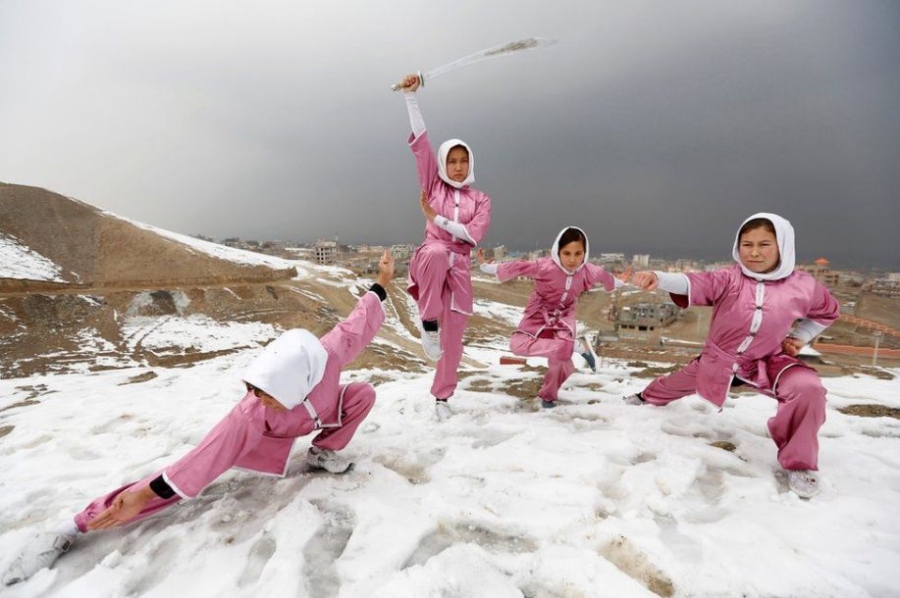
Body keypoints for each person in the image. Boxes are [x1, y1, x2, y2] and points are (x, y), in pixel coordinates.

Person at [3, 252, 396, 586]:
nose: (255, 396)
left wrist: (382, 280)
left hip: (318, 417)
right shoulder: (251, 412)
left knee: (363, 393)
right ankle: (69, 528)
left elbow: (359, 321)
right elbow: (194, 466)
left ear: (297, 381)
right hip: (269, 437)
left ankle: (323, 454)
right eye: (254, 387)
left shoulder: (325, 356)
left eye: (265, 391)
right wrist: (135, 496)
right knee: (196, 472)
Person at [623, 213, 839, 499]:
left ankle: (799, 464)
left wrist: (800, 336)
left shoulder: (803, 285)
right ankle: (646, 397)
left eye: (764, 244)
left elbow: (828, 311)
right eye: (747, 244)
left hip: (768, 362)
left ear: (783, 247)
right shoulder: (729, 278)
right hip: (719, 361)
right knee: (673, 384)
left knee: (808, 389)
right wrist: (658, 278)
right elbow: (693, 283)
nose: (754, 252)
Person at [398, 73, 492, 420]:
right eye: (451, 161)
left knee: (453, 343)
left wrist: (436, 219)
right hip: (431, 258)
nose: (456, 166)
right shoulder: (432, 185)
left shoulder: (481, 199)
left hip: (461, 271)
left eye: (462, 161)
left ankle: (442, 399)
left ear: (469, 164)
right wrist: (410, 97)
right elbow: (421, 144)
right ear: (443, 164)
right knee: (438, 252)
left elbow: (472, 235)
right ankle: (427, 322)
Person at [477, 226, 623, 408]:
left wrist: (622, 281)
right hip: (538, 313)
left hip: (565, 316)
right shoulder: (544, 266)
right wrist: (485, 266)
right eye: (566, 253)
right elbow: (518, 267)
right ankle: (578, 346)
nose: (572, 259)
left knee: (560, 360)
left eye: (578, 254)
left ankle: (548, 396)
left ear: (585, 253)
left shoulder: (589, 271)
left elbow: (605, 277)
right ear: (558, 251)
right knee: (517, 346)